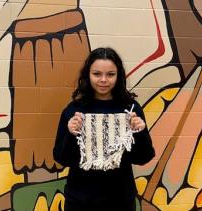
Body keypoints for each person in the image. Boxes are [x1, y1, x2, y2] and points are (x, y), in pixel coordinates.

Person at [53, 47, 155, 211]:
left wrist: (140, 132)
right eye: (97, 74)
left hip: (120, 200)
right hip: (80, 201)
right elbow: (61, 158)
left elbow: (144, 157)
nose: (103, 80)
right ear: (88, 75)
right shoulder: (74, 110)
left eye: (110, 74)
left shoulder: (130, 109)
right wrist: (72, 135)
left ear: (118, 76)